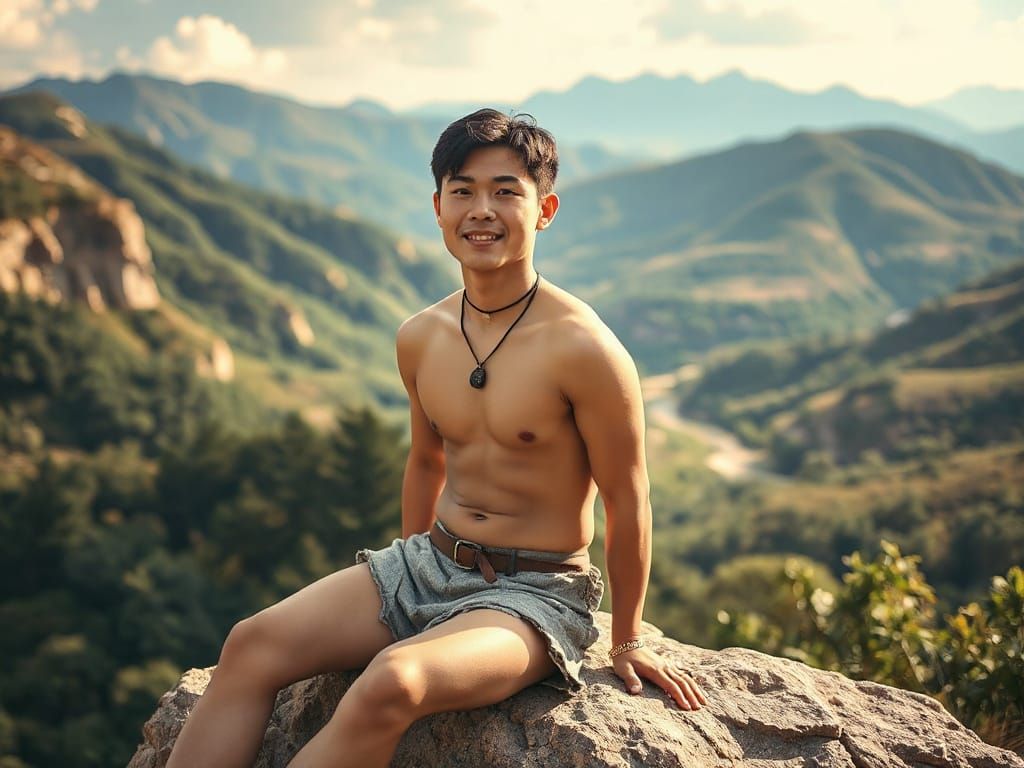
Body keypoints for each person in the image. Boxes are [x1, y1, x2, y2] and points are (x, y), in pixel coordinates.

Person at [165, 108, 708, 768]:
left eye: (506, 191)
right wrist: (401, 589)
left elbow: (628, 499)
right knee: (250, 643)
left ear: (545, 210)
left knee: (394, 680)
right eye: (464, 191)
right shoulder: (421, 336)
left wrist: (626, 641)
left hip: (532, 594)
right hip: (428, 564)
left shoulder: (585, 350)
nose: (483, 209)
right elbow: (426, 461)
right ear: (438, 206)